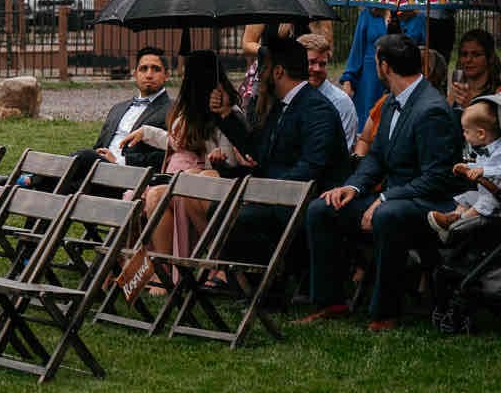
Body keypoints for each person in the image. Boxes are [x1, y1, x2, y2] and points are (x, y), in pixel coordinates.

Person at [304, 31, 465, 330]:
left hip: (428, 202)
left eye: (376, 62)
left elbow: (437, 178)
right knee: (322, 207)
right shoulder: (392, 101)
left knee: (388, 215)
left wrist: (385, 198)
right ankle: (330, 302)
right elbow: (376, 157)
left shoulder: (431, 110)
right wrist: (352, 187)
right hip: (393, 196)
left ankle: (385, 312)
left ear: (385, 66)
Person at [211, 35, 350, 265]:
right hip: (277, 196)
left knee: (238, 217)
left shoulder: (316, 109)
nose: (260, 76)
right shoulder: (281, 106)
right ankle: (243, 280)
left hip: (306, 202)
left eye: (263, 69)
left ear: (277, 72)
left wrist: (263, 191)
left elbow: (311, 167)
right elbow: (258, 151)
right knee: (217, 209)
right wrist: (225, 114)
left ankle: (263, 283)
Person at [121, 50, 248, 257]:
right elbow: (178, 141)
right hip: (183, 177)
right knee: (153, 195)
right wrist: (147, 132)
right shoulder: (190, 109)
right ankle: (161, 265)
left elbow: (231, 159)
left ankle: (210, 259)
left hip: (213, 180)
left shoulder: (228, 110)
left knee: (180, 187)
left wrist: (217, 156)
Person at [62, 46, 170, 192]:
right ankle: (38, 181)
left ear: (166, 75)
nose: (149, 75)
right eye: (143, 69)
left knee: (84, 156)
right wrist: (100, 156)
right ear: (135, 74)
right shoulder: (118, 108)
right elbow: (99, 145)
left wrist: (119, 160)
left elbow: (167, 155)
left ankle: (36, 176)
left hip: (131, 177)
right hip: (98, 172)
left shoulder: (172, 110)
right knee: (55, 188)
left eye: (155, 69)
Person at [239, 0, 328, 108]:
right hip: (272, 76)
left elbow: (326, 47)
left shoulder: (317, 8)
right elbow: (247, 44)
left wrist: (315, 24)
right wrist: (269, 52)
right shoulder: (269, 3)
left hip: (303, 78)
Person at [340, 7, 428, 125]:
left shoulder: (417, 18)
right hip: (370, 82)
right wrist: (348, 80)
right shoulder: (367, 15)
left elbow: (424, 54)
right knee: (369, 123)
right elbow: (357, 49)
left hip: (401, 80)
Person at [430, 96, 500, 241]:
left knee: (484, 203)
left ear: (481, 134)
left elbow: (496, 169)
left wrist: (483, 171)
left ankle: (456, 224)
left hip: (496, 198)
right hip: (486, 193)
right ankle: (452, 217)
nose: (464, 135)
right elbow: (481, 166)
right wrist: (468, 167)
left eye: (466, 131)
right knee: (467, 197)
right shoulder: (483, 149)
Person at [299, 32, 359, 149]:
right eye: (311, 62)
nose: (317, 69)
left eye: (322, 64)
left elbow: (343, 150)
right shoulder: (285, 95)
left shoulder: (340, 102)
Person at [448, 29, 499, 109]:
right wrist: (447, 104)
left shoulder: (497, 94)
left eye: (476, 55)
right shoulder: (457, 91)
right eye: (464, 54)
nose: (468, 59)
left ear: (490, 58)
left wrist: (469, 107)